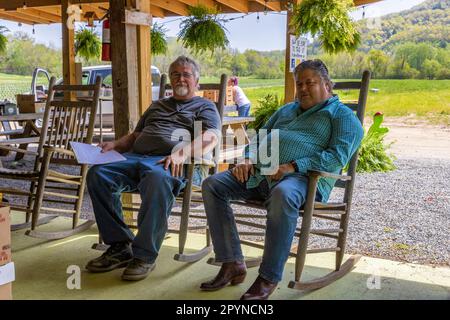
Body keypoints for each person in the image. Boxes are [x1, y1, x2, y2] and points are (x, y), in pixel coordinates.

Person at [199, 59, 364, 300]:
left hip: (304, 181)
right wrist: (247, 158)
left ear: (327, 85)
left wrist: (293, 166)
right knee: (213, 185)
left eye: (310, 82)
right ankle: (232, 262)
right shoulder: (286, 110)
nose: (303, 88)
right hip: (261, 175)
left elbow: (337, 156)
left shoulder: (342, 117)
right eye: (300, 84)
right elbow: (259, 137)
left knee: (282, 194)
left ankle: (268, 277)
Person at [85, 56, 220, 281]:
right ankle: (119, 245)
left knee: (157, 179)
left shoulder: (204, 106)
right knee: (98, 174)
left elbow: (211, 137)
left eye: (186, 74)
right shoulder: (158, 105)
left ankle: (145, 255)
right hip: (135, 157)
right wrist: (115, 144)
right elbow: (136, 135)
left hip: (174, 163)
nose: (181, 78)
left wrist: (182, 152)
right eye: (176, 74)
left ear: (197, 82)